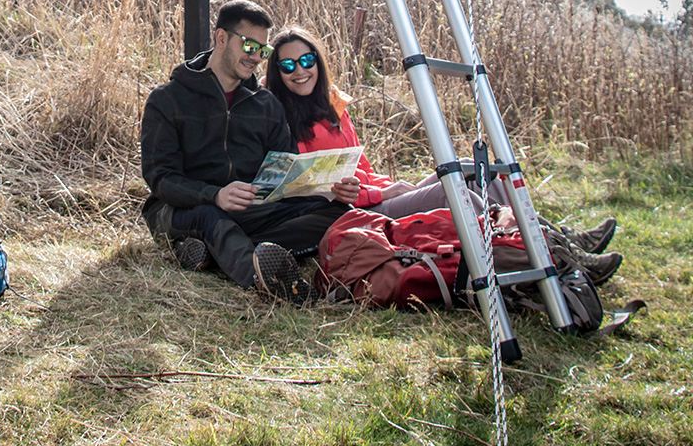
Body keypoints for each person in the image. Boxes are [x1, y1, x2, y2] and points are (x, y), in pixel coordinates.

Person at [262, 24, 622, 284]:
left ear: (318, 62)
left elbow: (363, 167)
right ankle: (562, 258)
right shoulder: (282, 119)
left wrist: (392, 185)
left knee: (477, 172)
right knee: (459, 193)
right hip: (360, 212)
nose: (300, 71)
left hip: (381, 195)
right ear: (277, 73)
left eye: (306, 60)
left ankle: (560, 237)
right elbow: (327, 188)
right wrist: (386, 193)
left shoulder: (334, 105)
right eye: (288, 65)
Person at [140, 0, 353, 302]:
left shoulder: (266, 104)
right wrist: (215, 195)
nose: (255, 57)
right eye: (249, 45)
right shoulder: (167, 100)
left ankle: (211, 253)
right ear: (222, 38)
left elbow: (286, 169)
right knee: (209, 217)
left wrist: (328, 189)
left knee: (336, 213)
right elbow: (160, 178)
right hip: (180, 210)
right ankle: (263, 280)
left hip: (249, 211)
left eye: (262, 50)